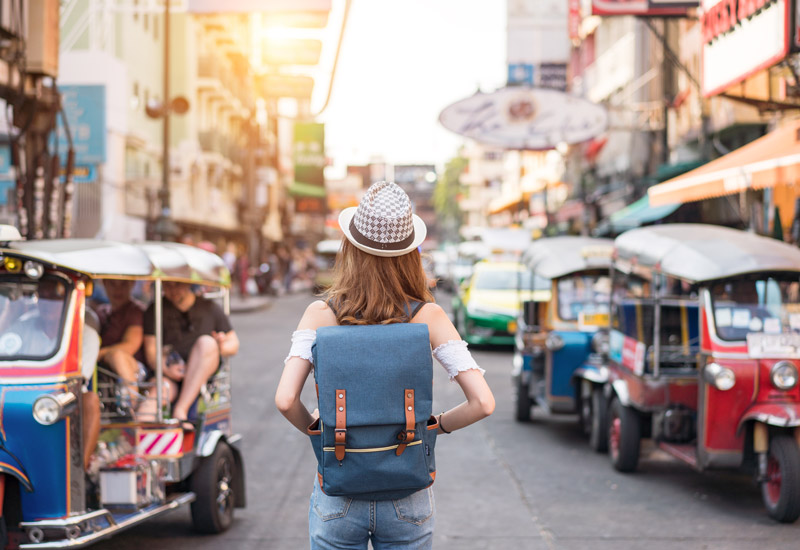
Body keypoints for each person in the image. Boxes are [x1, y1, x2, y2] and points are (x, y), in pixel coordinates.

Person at [275, 181, 495, 550]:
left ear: (350, 249)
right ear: (411, 254)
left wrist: (322, 435)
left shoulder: (320, 314)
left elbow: (285, 400)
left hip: (340, 490)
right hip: (407, 492)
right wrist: (433, 429)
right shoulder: (429, 315)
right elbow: (483, 403)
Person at [138, 281, 240, 423]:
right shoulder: (155, 309)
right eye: (168, 285)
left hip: (202, 377)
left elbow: (233, 344)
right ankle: (141, 436)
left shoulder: (210, 308)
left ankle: (181, 410)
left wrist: (220, 345)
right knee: (151, 402)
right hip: (168, 376)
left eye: (177, 285)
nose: (173, 290)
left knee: (207, 343)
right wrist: (167, 369)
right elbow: (151, 350)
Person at [94, 279, 145, 401]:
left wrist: (97, 355)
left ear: (132, 284)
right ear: (104, 284)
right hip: (104, 370)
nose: (118, 290)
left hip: (134, 368)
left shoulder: (135, 311)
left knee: (117, 356)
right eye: (112, 283)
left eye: (123, 284)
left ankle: (133, 406)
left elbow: (131, 345)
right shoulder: (101, 312)